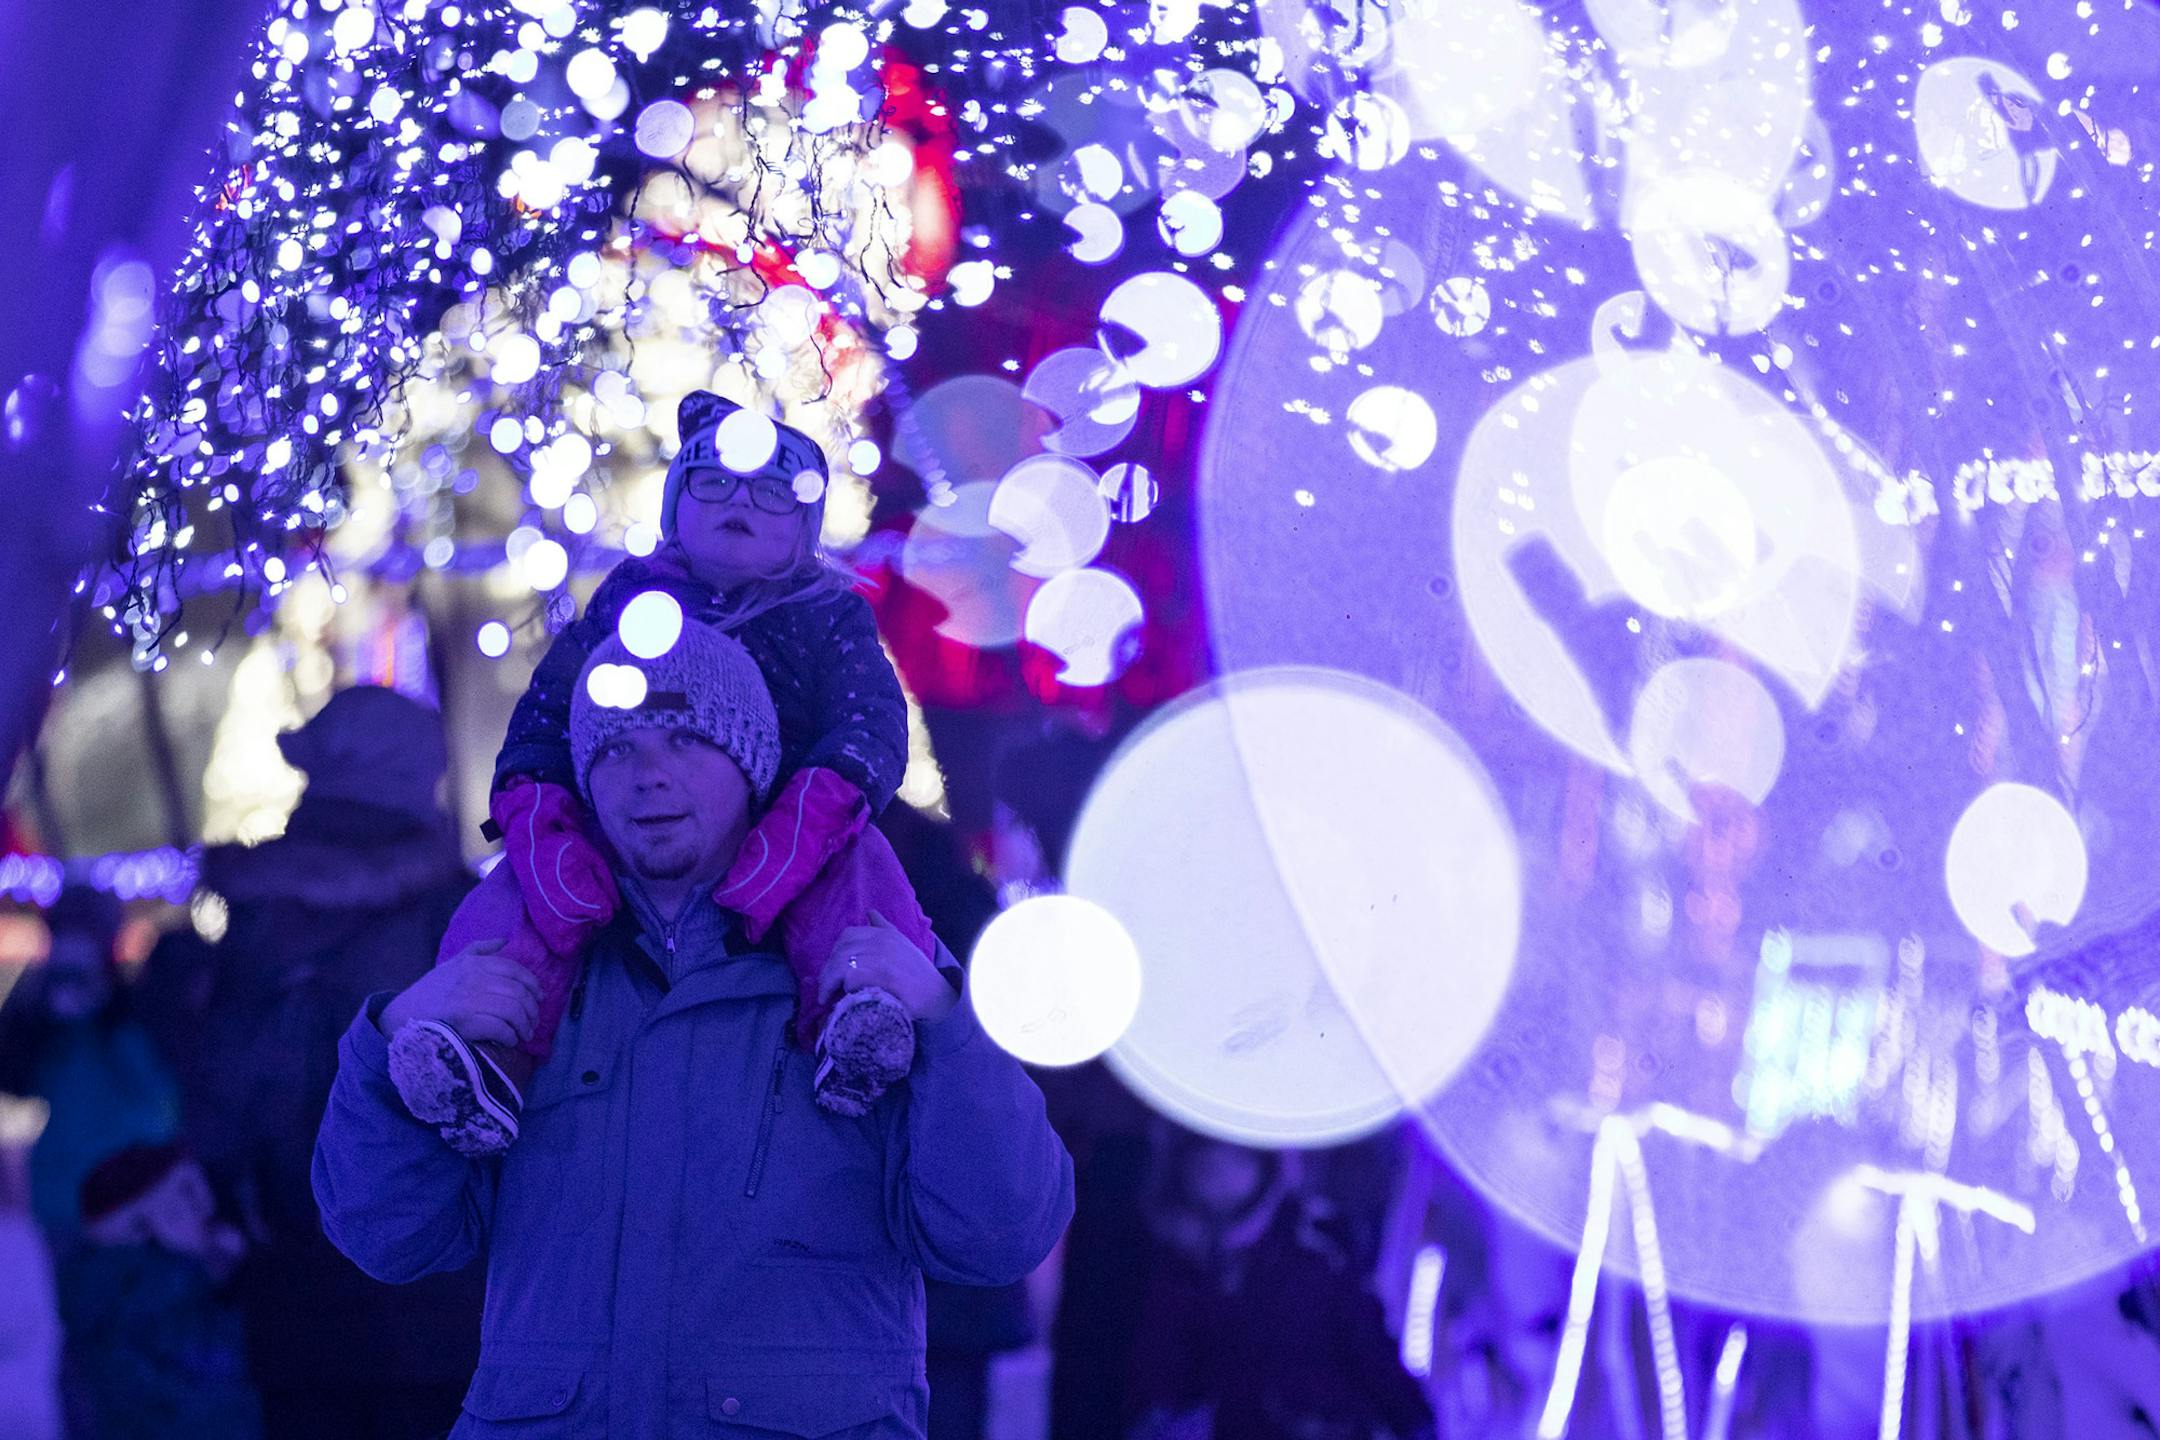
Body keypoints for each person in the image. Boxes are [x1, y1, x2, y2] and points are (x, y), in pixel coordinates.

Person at [315, 619, 1073, 1435]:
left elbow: (998, 1234)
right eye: (613, 750)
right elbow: (388, 1237)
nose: (647, 776)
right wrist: (391, 1039)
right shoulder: (520, 971)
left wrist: (945, 1026)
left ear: (750, 764)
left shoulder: (855, 972)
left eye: (685, 740)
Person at [391, 390, 925, 1152]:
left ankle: (857, 1023)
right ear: (678, 506)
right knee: (519, 904)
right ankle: (486, 1058)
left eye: (773, 493)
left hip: (791, 826)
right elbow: (552, 705)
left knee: (858, 884)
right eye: (714, 484)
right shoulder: (630, 599)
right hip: (639, 826)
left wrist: (826, 798)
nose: (740, 502)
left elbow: (869, 720)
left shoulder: (826, 614)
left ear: (803, 527)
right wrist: (537, 802)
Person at [139, 684, 484, 1440]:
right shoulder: (459, 913)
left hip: (287, 1289)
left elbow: (220, 1093)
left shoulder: (259, 916)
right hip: (438, 1295)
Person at [1127, 1131, 1435, 1440]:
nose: (1218, 1173)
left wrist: (1415, 1423)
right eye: (1203, 1160)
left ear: (1261, 1163)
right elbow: (1165, 1374)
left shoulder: (1315, 1251)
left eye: (1235, 1158)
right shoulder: (1178, 1262)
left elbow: (1368, 1346)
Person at [0, 885, 179, 1244]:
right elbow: (13, 1077)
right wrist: (35, 1010)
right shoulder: (39, 1004)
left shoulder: (140, 998)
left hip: (137, 1186)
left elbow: (161, 1096)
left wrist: (110, 1005)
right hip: (66, 1196)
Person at [54, 1142, 259, 1440]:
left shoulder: (98, 1287)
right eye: (186, 1197)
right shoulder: (157, 1290)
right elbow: (218, 1369)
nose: (207, 1209)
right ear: (141, 1226)